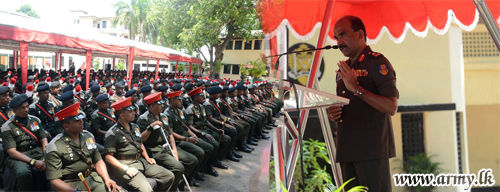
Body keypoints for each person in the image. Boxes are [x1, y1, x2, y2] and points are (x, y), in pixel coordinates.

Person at [327, 15, 399, 192]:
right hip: (347, 148)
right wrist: (334, 112)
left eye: (343, 34)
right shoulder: (343, 68)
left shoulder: (377, 63)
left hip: (371, 149)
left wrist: (357, 88)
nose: (339, 41)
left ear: (360, 34)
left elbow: (391, 107)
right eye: (336, 37)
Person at [45, 103, 122, 192]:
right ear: (66, 126)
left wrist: (107, 179)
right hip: (70, 185)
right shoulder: (54, 146)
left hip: (93, 180)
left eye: (81, 119)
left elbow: (98, 160)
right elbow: (54, 181)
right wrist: (76, 191)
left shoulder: (88, 136)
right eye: (77, 121)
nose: (81, 122)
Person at [103, 97, 175, 191]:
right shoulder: (112, 133)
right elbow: (108, 157)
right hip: (127, 165)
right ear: (122, 115)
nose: (134, 113)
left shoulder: (134, 127)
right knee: (147, 190)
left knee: (169, 176)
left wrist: (147, 157)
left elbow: (140, 143)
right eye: (130, 111)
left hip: (141, 161)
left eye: (133, 110)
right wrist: (125, 168)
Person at [137, 92, 197, 191]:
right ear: (152, 106)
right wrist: (151, 127)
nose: (162, 105)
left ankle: (176, 185)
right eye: (159, 104)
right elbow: (141, 140)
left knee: (192, 160)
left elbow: (170, 135)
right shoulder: (143, 119)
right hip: (154, 149)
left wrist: (175, 151)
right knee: (179, 167)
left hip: (166, 147)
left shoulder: (163, 116)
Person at [164, 90, 214, 183]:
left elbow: (185, 125)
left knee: (209, 147)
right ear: (172, 101)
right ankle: (189, 177)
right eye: (178, 99)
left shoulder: (180, 111)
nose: (181, 101)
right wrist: (187, 139)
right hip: (178, 140)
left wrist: (193, 134)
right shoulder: (167, 114)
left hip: (186, 135)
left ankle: (196, 171)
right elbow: (171, 133)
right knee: (200, 152)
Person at [1, 94, 48, 191]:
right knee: (23, 172)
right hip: (19, 156)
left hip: (36, 151)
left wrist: (47, 154)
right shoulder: (7, 127)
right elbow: (12, 152)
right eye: (23, 108)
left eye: (27, 106)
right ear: (14, 111)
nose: (26, 109)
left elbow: (43, 140)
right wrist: (33, 162)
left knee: (53, 164)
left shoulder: (35, 120)